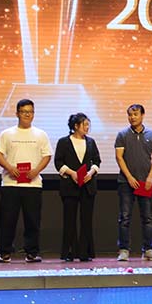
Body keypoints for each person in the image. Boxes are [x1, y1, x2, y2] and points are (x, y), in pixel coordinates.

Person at [0, 98, 52, 263]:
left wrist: (36, 171)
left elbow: (47, 155)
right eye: (24, 112)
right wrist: (9, 167)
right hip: (10, 183)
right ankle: (5, 253)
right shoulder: (7, 133)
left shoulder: (41, 134)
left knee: (32, 221)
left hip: (33, 184)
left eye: (30, 112)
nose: (27, 115)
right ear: (17, 113)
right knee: (7, 220)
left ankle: (31, 253)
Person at [115, 104, 152, 261]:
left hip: (144, 182)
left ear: (142, 115)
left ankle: (148, 249)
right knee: (125, 217)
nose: (132, 117)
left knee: (147, 217)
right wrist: (129, 177)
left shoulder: (151, 135)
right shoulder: (122, 134)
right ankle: (124, 250)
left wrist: (150, 177)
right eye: (130, 114)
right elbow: (119, 157)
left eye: (135, 114)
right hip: (126, 182)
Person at [54, 112, 101, 262]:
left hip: (88, 186)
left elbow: (97, 161)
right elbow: (58, 162)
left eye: (88, 125)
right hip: (70, 186)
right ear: (76, 126)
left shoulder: (91, 142)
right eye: (84, 124)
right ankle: (69, 251)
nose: (87, 127)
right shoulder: (63, 142)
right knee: (70, 220)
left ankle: (84, 252)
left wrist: (91, 172)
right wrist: (71, 173)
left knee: (86, 220)